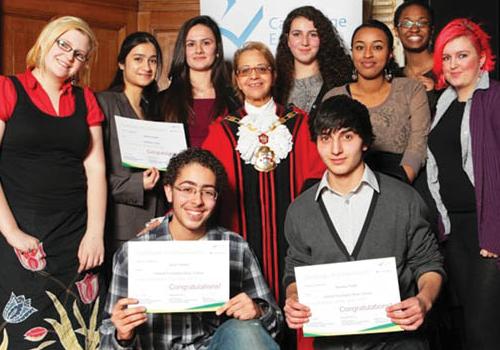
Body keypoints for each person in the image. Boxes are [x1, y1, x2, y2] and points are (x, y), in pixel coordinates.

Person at [283, 95, 445, 350]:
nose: (335, 150)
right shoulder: (300, 210)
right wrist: (293, 298)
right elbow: (296, 270)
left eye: (347, 137)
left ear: (365, 141)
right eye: (326, 138)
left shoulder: (404, 200)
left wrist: (424, 300)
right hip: (333, 344)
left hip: (398, 342)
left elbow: (428, 263)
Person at [203, 41, 324, 349]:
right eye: (245, 70)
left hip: (296, 246)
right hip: (241, 247)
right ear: (236, 78)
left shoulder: (299, 123)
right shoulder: (222, 130)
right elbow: (201, 187)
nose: (253, 76)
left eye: (261, 68)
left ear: (273, 74)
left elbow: (317, 183)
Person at [99, 148, 282, 349]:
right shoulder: (133, 253)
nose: (197, 200)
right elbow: (107, 339)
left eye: (208, 192)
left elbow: (275, 323)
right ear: (169, 191)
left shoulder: (235, 247)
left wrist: (258, 312)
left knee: (245, 331)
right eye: (187, 189)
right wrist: (122, 335)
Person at [0, 16, 106, 348]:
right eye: (64, 44)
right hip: (20, 231)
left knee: (77, 332)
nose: (69, 56)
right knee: (23, 333)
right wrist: (11, 231)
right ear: (47, 41)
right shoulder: (7, 88)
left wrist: (95, 234)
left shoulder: (86, 99)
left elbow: (96, 171)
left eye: (79, 53)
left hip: (76, 236)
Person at [427, 18, 500, 350]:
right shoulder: (442, 104)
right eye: (447, 57)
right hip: (454, 231)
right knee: (463, 326)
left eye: (462, 55)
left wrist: (495, 231)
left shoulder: (495, 99)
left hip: (488, 230)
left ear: (482, 58)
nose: (453, 64)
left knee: (483, 331)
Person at [324, 20, 430, 184]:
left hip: (404, 181)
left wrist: (397, 187)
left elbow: (418, 145)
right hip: (349, 185)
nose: (367, 54)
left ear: (390, 54)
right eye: (360, 47)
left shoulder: (411, 90)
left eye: (377, 47)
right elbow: (329, 149)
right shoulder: (334, 97)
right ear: (352, 53)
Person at [97, 32, 167, 263]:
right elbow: (91, 175)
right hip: (119, 227)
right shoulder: (104, 103)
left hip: (157, 224)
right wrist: (138, 184)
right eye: (138, 59)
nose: (146, 66)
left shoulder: (155, 110)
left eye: (153, 60)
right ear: (121, 63)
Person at [159, 15, 239, 147]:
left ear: (217, 49)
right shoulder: (161, 101)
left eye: (206, 43)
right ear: (183, 51)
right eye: (191, 44)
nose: (198, 50)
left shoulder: (235, 100)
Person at [275, 6, 352, 123]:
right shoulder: (273, 84)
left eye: (313, 34)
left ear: (323, 39)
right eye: (297, 34)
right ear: (287, 40)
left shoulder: (340, 83)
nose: (305, 42)